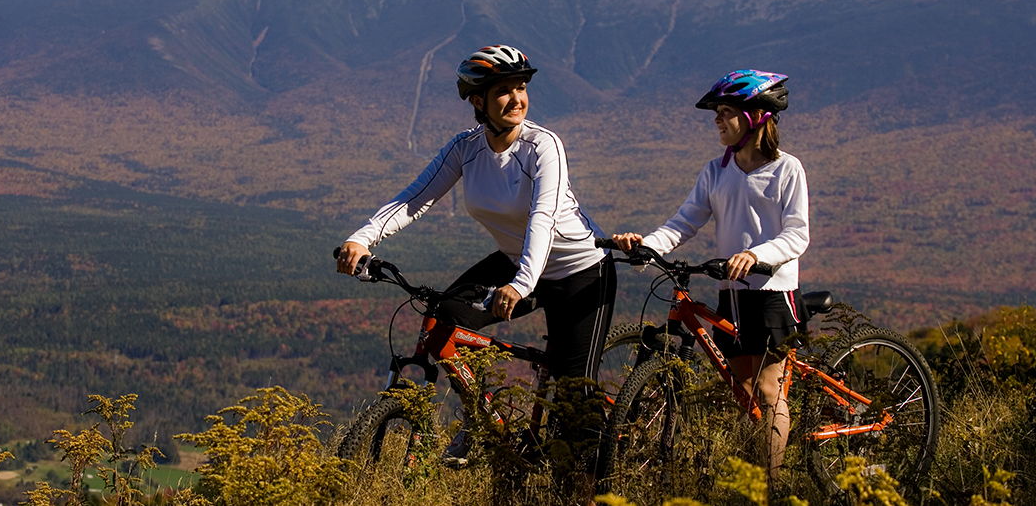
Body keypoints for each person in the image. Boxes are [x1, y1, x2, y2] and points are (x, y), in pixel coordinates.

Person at [336, 45, 616, 480]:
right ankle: (479, 421)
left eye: (521, 88)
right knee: (445, 315)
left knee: (575, 398)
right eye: (503, 91)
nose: (517, 99)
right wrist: (362, 237)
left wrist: (521, 284)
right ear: (477, 101)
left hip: (579, 271)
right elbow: (416, 197)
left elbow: (542, 219)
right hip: (515, 261)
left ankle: (592, 487)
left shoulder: (544, 146)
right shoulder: (465, 149)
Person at [612, 69, 809, 480]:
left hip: (773, 290)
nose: (717, 121)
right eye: (716, 113)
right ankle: (751, 476)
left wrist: (756, 255)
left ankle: (768, 487)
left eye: (725, 113)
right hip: (731, 294)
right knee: (743, 395)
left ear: (755, 117)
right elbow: (684, 222)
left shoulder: (787, 169)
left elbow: (797, 234)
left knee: (769, 392)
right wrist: (648, 246)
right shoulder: (715, 171)